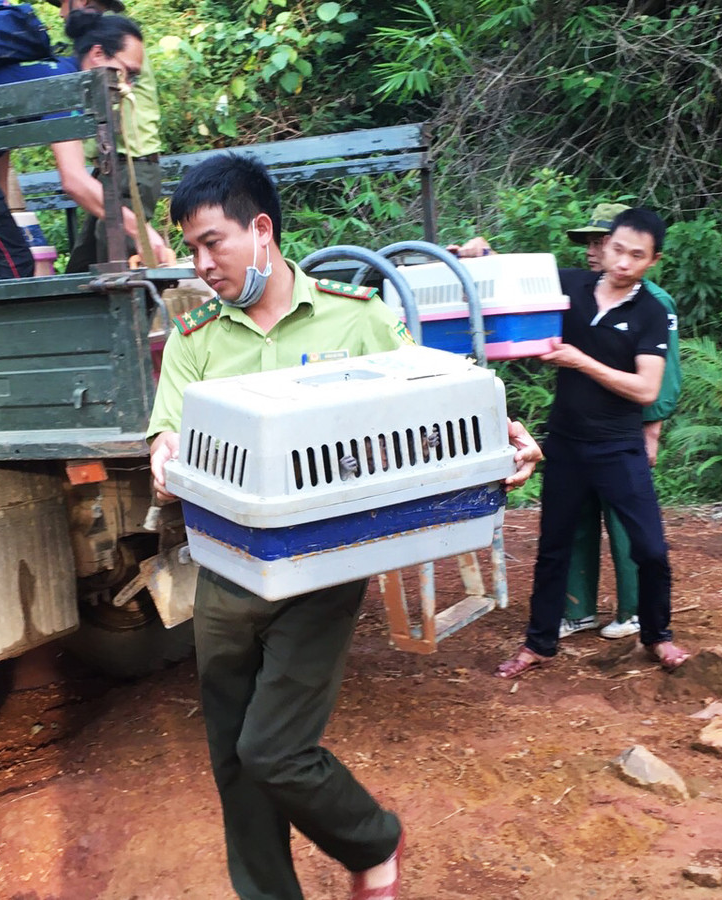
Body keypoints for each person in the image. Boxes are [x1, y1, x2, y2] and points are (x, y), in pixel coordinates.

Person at [147, 153, 541, 900]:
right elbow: (167, 434)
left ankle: (373, 841)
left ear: (261, 230)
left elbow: (434, 401)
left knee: (273, 750)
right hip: (226, 572)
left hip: (320, 569)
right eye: (191, 249)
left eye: (211, 243)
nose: (201, 264)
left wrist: (503, 436)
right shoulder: (196, 336)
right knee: (233, 759)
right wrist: (164, 455)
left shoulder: (354, 317)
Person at [449, 202, 682, 641]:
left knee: (649, 548)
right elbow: (516, 280)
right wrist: (481, 255)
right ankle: (539, 643)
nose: (621, 261)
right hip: (568, 444)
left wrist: (580, 361)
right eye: (616, 249)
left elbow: (647, 389)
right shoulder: (572, 285)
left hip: (619, 446)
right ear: (606, 245)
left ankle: (656, 635)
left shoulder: (651, 310)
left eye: (636, 255)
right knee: (553, 549)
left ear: (654, 261)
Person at [0, 7, 170, 283]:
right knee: (14, 265)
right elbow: (75, 181)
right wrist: (140, 230)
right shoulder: (65, 86)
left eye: (134, 79)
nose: (127, 84)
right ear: (98, 54)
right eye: (127, 72)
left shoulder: (45, 71)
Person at [59, 0, 164, 272]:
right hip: (107, 170)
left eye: (62, 4)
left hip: (131, 167)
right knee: (83, 270)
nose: (60, 12)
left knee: (118, 272)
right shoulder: (84, 62)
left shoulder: (122, 47)